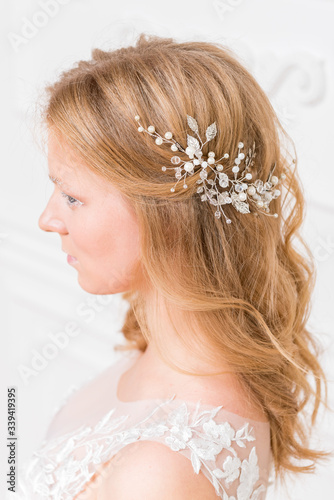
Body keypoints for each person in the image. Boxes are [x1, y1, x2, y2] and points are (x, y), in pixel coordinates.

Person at [15, 34, 329, 499]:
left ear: (167, 214)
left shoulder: (163, 470)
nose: (48, 220)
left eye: (73, 196)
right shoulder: (156, 357)